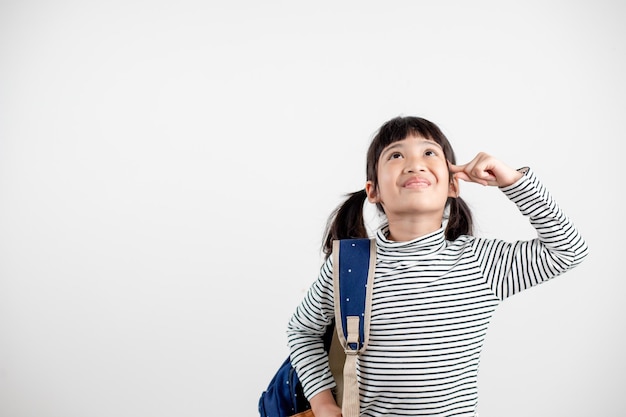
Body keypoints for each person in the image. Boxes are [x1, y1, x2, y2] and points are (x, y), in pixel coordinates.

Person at [286, 116, 589, 417]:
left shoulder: (481, 263)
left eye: (429, 153)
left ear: (453, 184)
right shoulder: (349, 265)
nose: (415, 164)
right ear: (373, 190)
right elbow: (302, 330)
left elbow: (568, 250)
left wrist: (513, 182)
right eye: (395, 155)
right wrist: (322, 402)